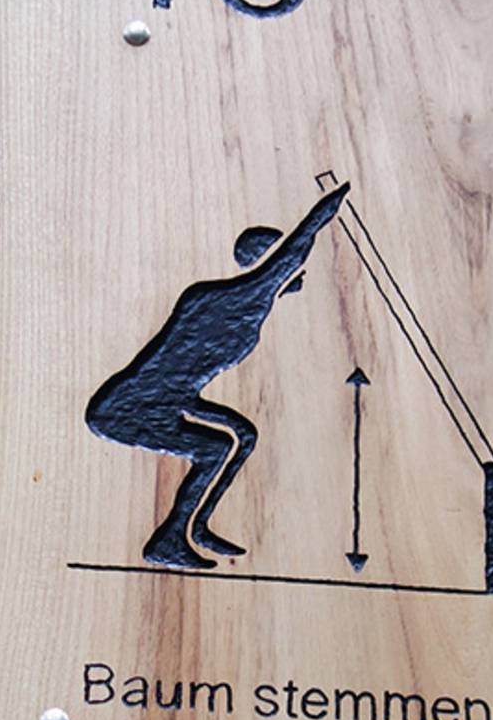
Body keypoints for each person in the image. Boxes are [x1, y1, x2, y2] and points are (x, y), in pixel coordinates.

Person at [86, 182, 350, 568]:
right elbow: (295, 250)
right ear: (266, 265)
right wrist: (328, 208)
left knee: (243, 436)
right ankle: (169, 539)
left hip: (167, 402)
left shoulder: (247, 310)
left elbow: (183, 379)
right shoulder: (229, 302)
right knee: (215, 449)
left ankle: (196, 525)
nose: (297, 276)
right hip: (128, 408)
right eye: (285, 271)